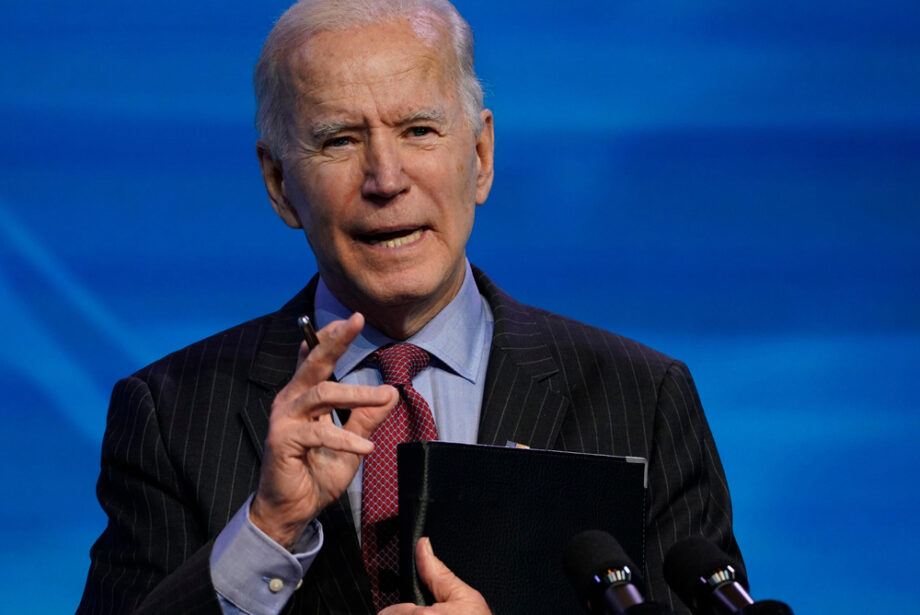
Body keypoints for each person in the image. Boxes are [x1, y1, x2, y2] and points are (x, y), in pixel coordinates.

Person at [77, 1, 743, 614]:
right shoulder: (169, 414)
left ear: (479, 157)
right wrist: (265, 530)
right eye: (338, 139)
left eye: (419, 130)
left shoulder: (642, 397)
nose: (386, 179)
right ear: (279, 184)